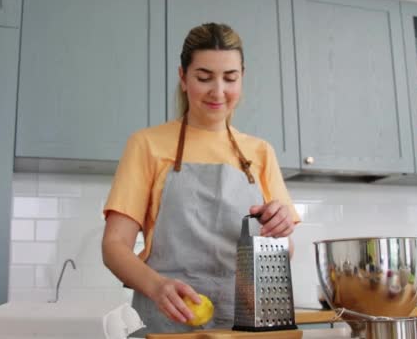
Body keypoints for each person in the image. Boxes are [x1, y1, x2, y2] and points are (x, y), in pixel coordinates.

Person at [101, 22, 299, 335]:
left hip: (244, 323)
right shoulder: (147, 144)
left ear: (242, 78)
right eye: (204, 77)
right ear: (183, 77)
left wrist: (281, 228)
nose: (218, 91)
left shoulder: (260, 152)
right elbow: (114, 245)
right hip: (165, 322)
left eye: (230, 78)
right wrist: (156, 287)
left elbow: (285, 249)